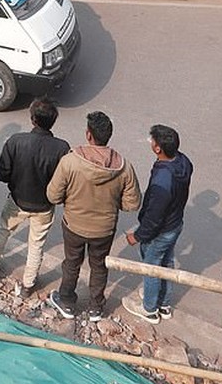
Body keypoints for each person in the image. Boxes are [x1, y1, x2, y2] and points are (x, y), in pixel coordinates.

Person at [46, 111, 141, 322]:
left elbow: (53, 195)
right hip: (104, 230)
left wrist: (71, 200)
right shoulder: (124, 167)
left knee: (72, 263)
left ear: (88, 135)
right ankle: (95, 308)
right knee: (99, 266)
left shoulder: (70, 161)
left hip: (74, 226)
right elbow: (132, 203)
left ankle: (67, 302)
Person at [0, 98, 70, 297]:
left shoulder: (15, 141)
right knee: (37, 244)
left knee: (2, 231)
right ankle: (28, 284)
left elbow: (1, 174)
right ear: (53, 121)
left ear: (33, 120)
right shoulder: (62, 148)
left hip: (17, 200)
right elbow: (63, 181)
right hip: (44, 206)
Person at [123, 124, 193, 325]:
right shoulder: (183, 162)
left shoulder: (163, 180)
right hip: (175, 224)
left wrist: (136, 236)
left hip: (161, 230)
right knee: (167, 263)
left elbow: (154, 217)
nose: (150, 142)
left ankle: (150, 309)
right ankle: (164, 304)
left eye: (152, 140)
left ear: (158, 149)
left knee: (151, 267)